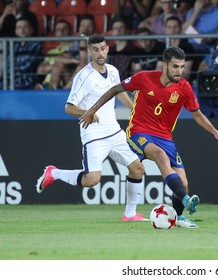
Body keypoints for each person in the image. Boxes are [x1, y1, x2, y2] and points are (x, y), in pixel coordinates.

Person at [79, 46, 218, 228]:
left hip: (164, 137)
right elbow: (114, 89)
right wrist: (92, 110)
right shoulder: (144, 78)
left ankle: (178, 217)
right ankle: (186, 200)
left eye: (182, 67)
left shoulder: (184, 88)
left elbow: (198, 115)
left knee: (183, 183)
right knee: (161, 157)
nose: (180, 71)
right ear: (165, 66)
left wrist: (215, 131)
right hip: (138, 131)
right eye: (175, 67)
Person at [36, 34, 147, 222]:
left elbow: (119, 94)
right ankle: (54, 173)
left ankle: (129, 214)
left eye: (103, 48)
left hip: (114, 131)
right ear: (90, 52)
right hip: (94, 135)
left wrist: (134, 110)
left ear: (108, 49)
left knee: (138, 169)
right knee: (92, 180)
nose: (100, 52)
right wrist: (87, 112)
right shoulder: (83, 76)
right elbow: (68, 107)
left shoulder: (112, 70)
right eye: (95, 49)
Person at [48, 14, 97, 90]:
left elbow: (84, 60)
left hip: (90, 77)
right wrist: (73, 60)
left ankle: (66, 90)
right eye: (83, 25)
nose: (85, 28)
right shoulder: (75, 43)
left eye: (89, 26)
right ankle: (50, 93)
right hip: (74, 75)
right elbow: (59, 58)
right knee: (58, 66)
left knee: (82, 66)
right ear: (79, 28)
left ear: (94, 30)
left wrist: (84, 41)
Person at [0, 16, 42, 89]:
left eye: (25, 27)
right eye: (19, 27)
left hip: (26, 81)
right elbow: (7, 64)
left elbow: (27, 65)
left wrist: (13, 68)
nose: (22, 30)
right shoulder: (12, 45)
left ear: (31, 30)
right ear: (16, 31)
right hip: (8, 81)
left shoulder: (36, 45)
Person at [34, 20, 74, 90]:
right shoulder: (51, 52)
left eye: (64, 29)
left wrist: (52, 67)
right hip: (46, 83)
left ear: (71, 32)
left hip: (62, 84)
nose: (61, 32)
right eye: (58, 30)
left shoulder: (74, 48)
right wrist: (55, 66)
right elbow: (40, 70)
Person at [164, 15, 195, 80]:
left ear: (180, 29)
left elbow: (186, 73)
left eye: (175, 27)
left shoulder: (187, 47)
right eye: (169, 27)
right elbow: (159, 68)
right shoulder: (161, 47)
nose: (172, 30)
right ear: (165, 30)